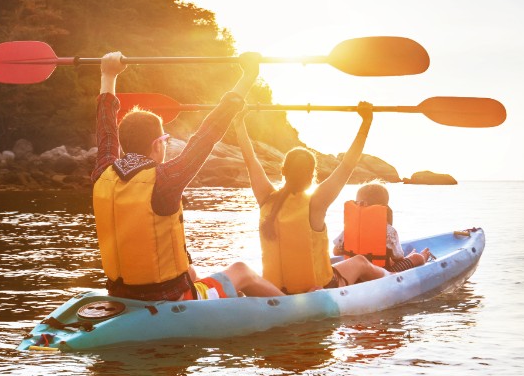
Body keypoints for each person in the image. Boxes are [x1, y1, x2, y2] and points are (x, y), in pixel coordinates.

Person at [91, 51, 283, 301]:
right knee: (242, 271)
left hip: (122, 294)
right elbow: (208, 133)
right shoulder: (165, 179)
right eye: (165, 139)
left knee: (191, 271)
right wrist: (249, 76)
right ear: (157, 144)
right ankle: (295, 308)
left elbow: (105, 128)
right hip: (172, 298)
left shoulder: (103, 172)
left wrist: (108, 75)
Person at [234, 103, 394, 294]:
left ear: (283, 171)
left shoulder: (266, 198)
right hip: (318, 290)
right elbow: (347, 165)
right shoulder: (316, 203)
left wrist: (238, 122)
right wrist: (366, 121)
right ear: (312, 175)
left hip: (273, 290)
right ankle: (394, 279)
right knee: (360, 261)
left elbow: (250, 159)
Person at [332, 181, 432, 273]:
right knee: (416, 258)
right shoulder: (389, 231)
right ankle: (422, 256)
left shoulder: (349, 228)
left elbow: (335, 251)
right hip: (380, 274)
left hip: (353, 272)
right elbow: (399, 257)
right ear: (384, 206)